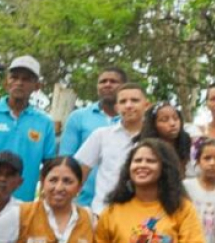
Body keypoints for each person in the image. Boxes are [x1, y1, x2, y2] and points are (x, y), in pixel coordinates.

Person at [0, 56, 56, 201]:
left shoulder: (44, 123)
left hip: (22, 204)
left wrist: (44, 198)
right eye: (14, 77)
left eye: (26, 79)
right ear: (6, 82)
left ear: (37, 86)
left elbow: (49, 166)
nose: (19, 83)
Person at [75, 83, 149, 215]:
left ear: (146, 105)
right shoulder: (101, 135)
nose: (129, 105)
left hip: (142, 218)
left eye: (135, 100)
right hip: (103, 214)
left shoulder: (155, 139)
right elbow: (81, 174)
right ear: (117, 107)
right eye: (123, 101)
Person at [59, 67, 126, 207]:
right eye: (103, 81)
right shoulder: (78, 117)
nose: (107, 84)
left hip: (124, 203)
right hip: (82, 202)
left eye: (113, 81)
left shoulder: (130, 121)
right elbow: (66, 160)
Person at [139, 102, 192, 177]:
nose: (172, 123)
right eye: (164, 120)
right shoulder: (145, 149)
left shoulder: (188, 145)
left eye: (176, 118)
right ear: (153, 125)